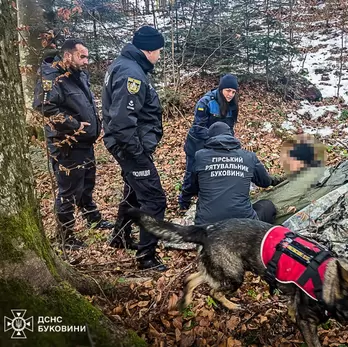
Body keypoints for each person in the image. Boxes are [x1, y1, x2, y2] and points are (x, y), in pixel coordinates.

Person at [33, 38, 113, 250]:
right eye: (82, 56)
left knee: (87, 182)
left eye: (87, 56)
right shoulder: (51, 76)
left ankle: (92, 218)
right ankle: (65, 237)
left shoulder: (78, 75)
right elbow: (44, 108)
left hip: (84, 141)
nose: (86, 61)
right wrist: (74, 125)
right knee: (68, 190)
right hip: (66, 145)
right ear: (68, 55)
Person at [102, 26, 167, 271]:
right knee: (154, 199)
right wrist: (137, 152)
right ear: (149, 49)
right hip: (129, 148)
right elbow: (122, 121)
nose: (159, 56)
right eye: (158, 51)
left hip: (127, 145)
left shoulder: (125, 65)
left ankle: (119, 236)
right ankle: (146, 257)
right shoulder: (132, 74)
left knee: (133, 190)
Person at [182, 121, 282, 225]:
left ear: (210, 138)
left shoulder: (200, 156)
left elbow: (192, 187)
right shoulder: (248, 157)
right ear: (231, 135)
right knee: (267, 206)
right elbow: (265, 182)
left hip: (206, 227)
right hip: (243, 225)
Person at [178, 74, 239, 210]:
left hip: (218, 144)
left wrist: (230, 142)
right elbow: (198, 127)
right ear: (221, 88)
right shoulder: (205, 102)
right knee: (192, 173)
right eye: (228, 90)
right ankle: (184, 202)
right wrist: (216, 139)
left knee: (213, 173)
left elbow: (230, 128)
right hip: (197, 143)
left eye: (233, 92)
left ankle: (208, 199)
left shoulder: (233, 105)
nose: (230, 94)